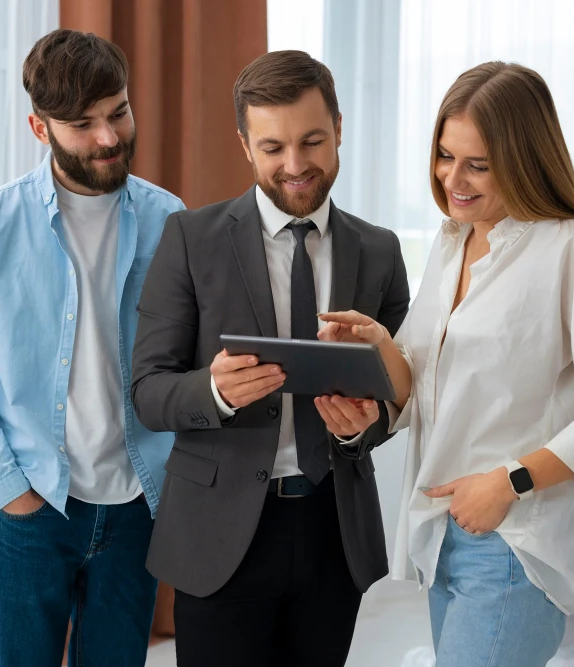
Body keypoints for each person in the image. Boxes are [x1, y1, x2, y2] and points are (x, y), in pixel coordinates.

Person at [319, 61, 574, 666]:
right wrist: (378, 347)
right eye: (446, 156)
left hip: (512, 544)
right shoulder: (453, 241)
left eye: (478, 164)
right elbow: (422, 381)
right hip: (443, 532)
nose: (454, 179)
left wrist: (509, 482)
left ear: (525, 160)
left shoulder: (571, 247)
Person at [129, 50, 410, 666]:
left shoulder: (381, 251)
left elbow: (400, 391)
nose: (295, 165)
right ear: (244, 145)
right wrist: (216, 391)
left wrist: (373, 423)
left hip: (334, 532)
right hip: (219, 534)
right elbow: (148, 393)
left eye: (312, 140)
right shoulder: (189, 239)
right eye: (273, 147)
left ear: (339, 128)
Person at [0, 29, 184, 667]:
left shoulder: (170, 218)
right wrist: (9, 486)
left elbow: (187, 359)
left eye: (118, 112)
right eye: (81, 124)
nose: (107, 137)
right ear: (41, 129)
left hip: (136, 507)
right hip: (34, 507)